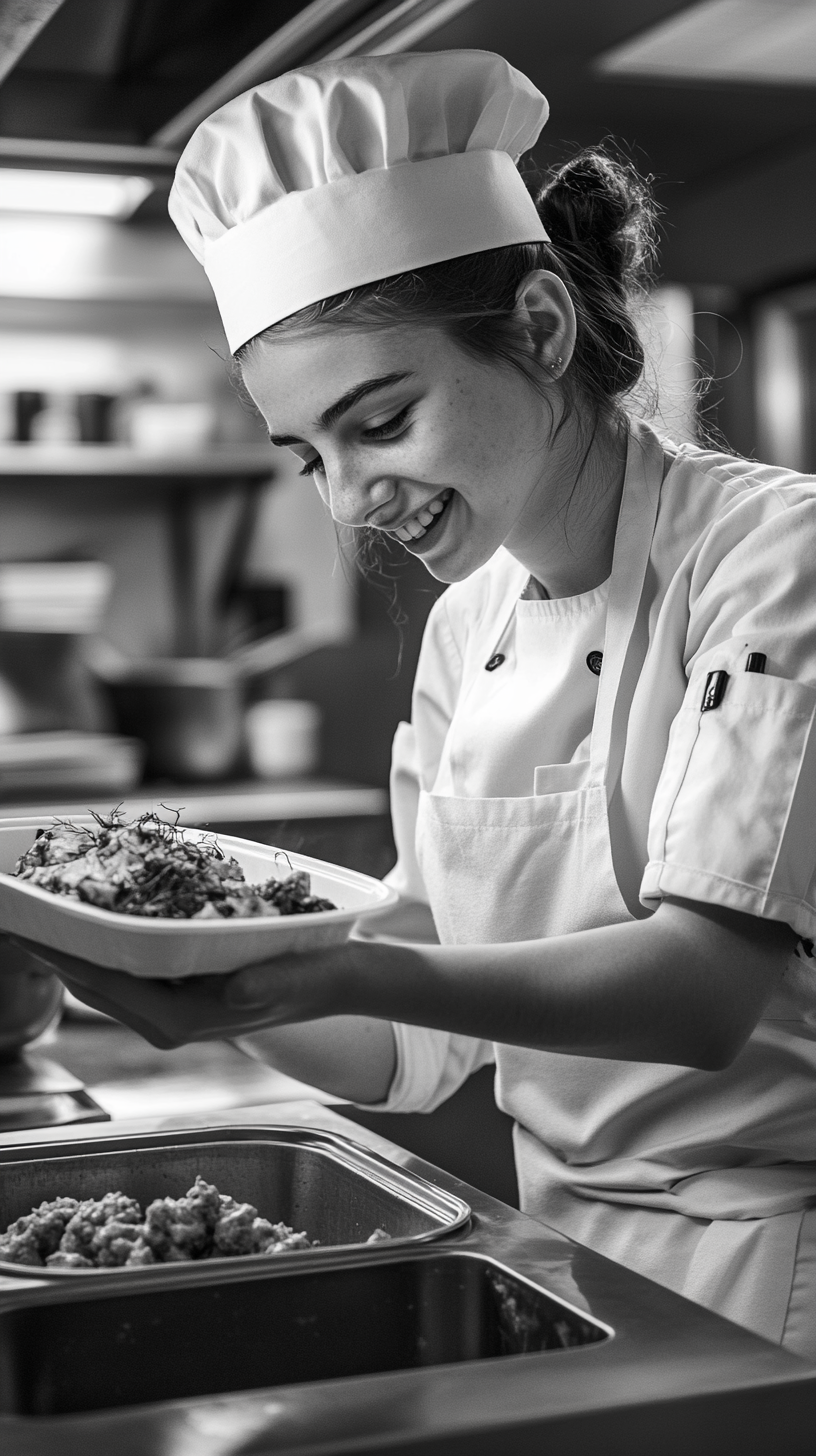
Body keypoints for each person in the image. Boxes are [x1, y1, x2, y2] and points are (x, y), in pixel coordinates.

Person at [18, 51, 816, 1357]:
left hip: (772, 1275)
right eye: (310, 456)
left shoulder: (773, 559)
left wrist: (328, 962)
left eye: (380, 422)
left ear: (545, 329)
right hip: (568, 1267)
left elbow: (701, 990)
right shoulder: (469, 628)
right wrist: (159, 963)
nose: (347, 503)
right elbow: (405, 1041)